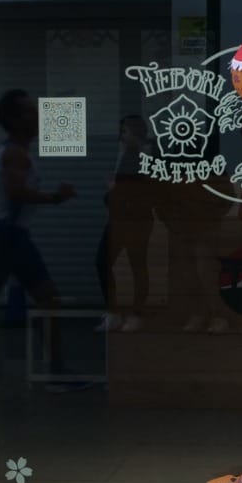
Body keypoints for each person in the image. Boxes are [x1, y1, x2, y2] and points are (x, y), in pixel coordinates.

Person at [0, 90, 76, 366]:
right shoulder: (15, 154)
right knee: (49, 299)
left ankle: (57, 369)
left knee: (46, 298)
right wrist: (54, 198)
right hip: (9, 235)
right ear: (15, 120)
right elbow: (15, 192)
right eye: (30, 111)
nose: (37, 116)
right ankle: (58, 371)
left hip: (10, 235)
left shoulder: (16, 152)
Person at [96, 115, 156, 333]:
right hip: (120, 219)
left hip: (135, 220)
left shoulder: (143, 157)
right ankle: (116, 312)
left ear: (136, 133)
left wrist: (113, 190)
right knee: (105, 262)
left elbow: (138, 192)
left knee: (136, 265)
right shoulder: (125, 155)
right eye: (121, 132)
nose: (121, 137)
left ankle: (134, 314)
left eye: (125, 132)